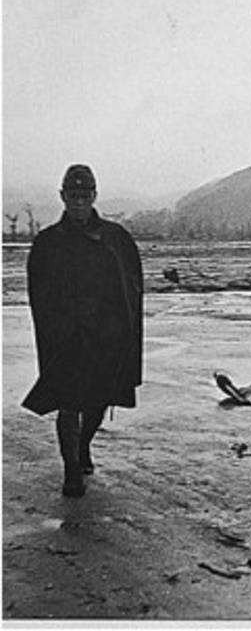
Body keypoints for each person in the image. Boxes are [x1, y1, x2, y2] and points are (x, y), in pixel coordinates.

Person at [22, 165, 143, 497]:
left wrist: (123, 329)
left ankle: (83, 446)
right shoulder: (48, 243)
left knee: (98, 399)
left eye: (85, 196)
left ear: (94, 196)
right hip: (67, 336)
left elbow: (131, 287)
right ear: (62, 197)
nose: (78, 203)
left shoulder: (115, 238)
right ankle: (71, 470)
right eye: (73, 196)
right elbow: (39, 294)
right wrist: (55, 329)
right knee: (68, 401)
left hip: (106, 335)